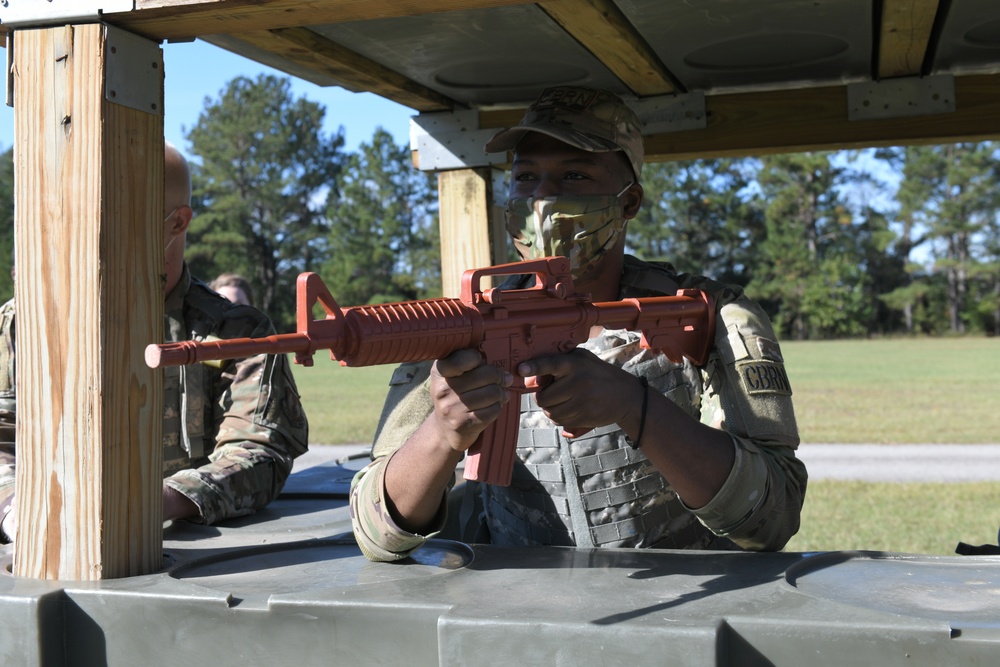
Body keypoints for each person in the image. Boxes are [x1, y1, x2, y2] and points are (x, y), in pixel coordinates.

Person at [350, 86, 807, 561]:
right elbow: (375, 532)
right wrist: (443, 433)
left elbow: (774, 516)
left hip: (680, 610)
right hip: (516, 610)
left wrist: (634, 405)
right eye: (526, 177)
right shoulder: (459, 327)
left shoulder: (706, 312)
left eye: (573, 174)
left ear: (629, 202)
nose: (543, 199)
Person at [0, 143, 309, 543]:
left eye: (114, 216)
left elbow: (259, 453)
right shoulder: (28, 321)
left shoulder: (236, 332)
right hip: (44, 544)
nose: (91, 233)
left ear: (177, 223)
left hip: (184, 554)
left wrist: (156, 502)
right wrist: (15, 508)